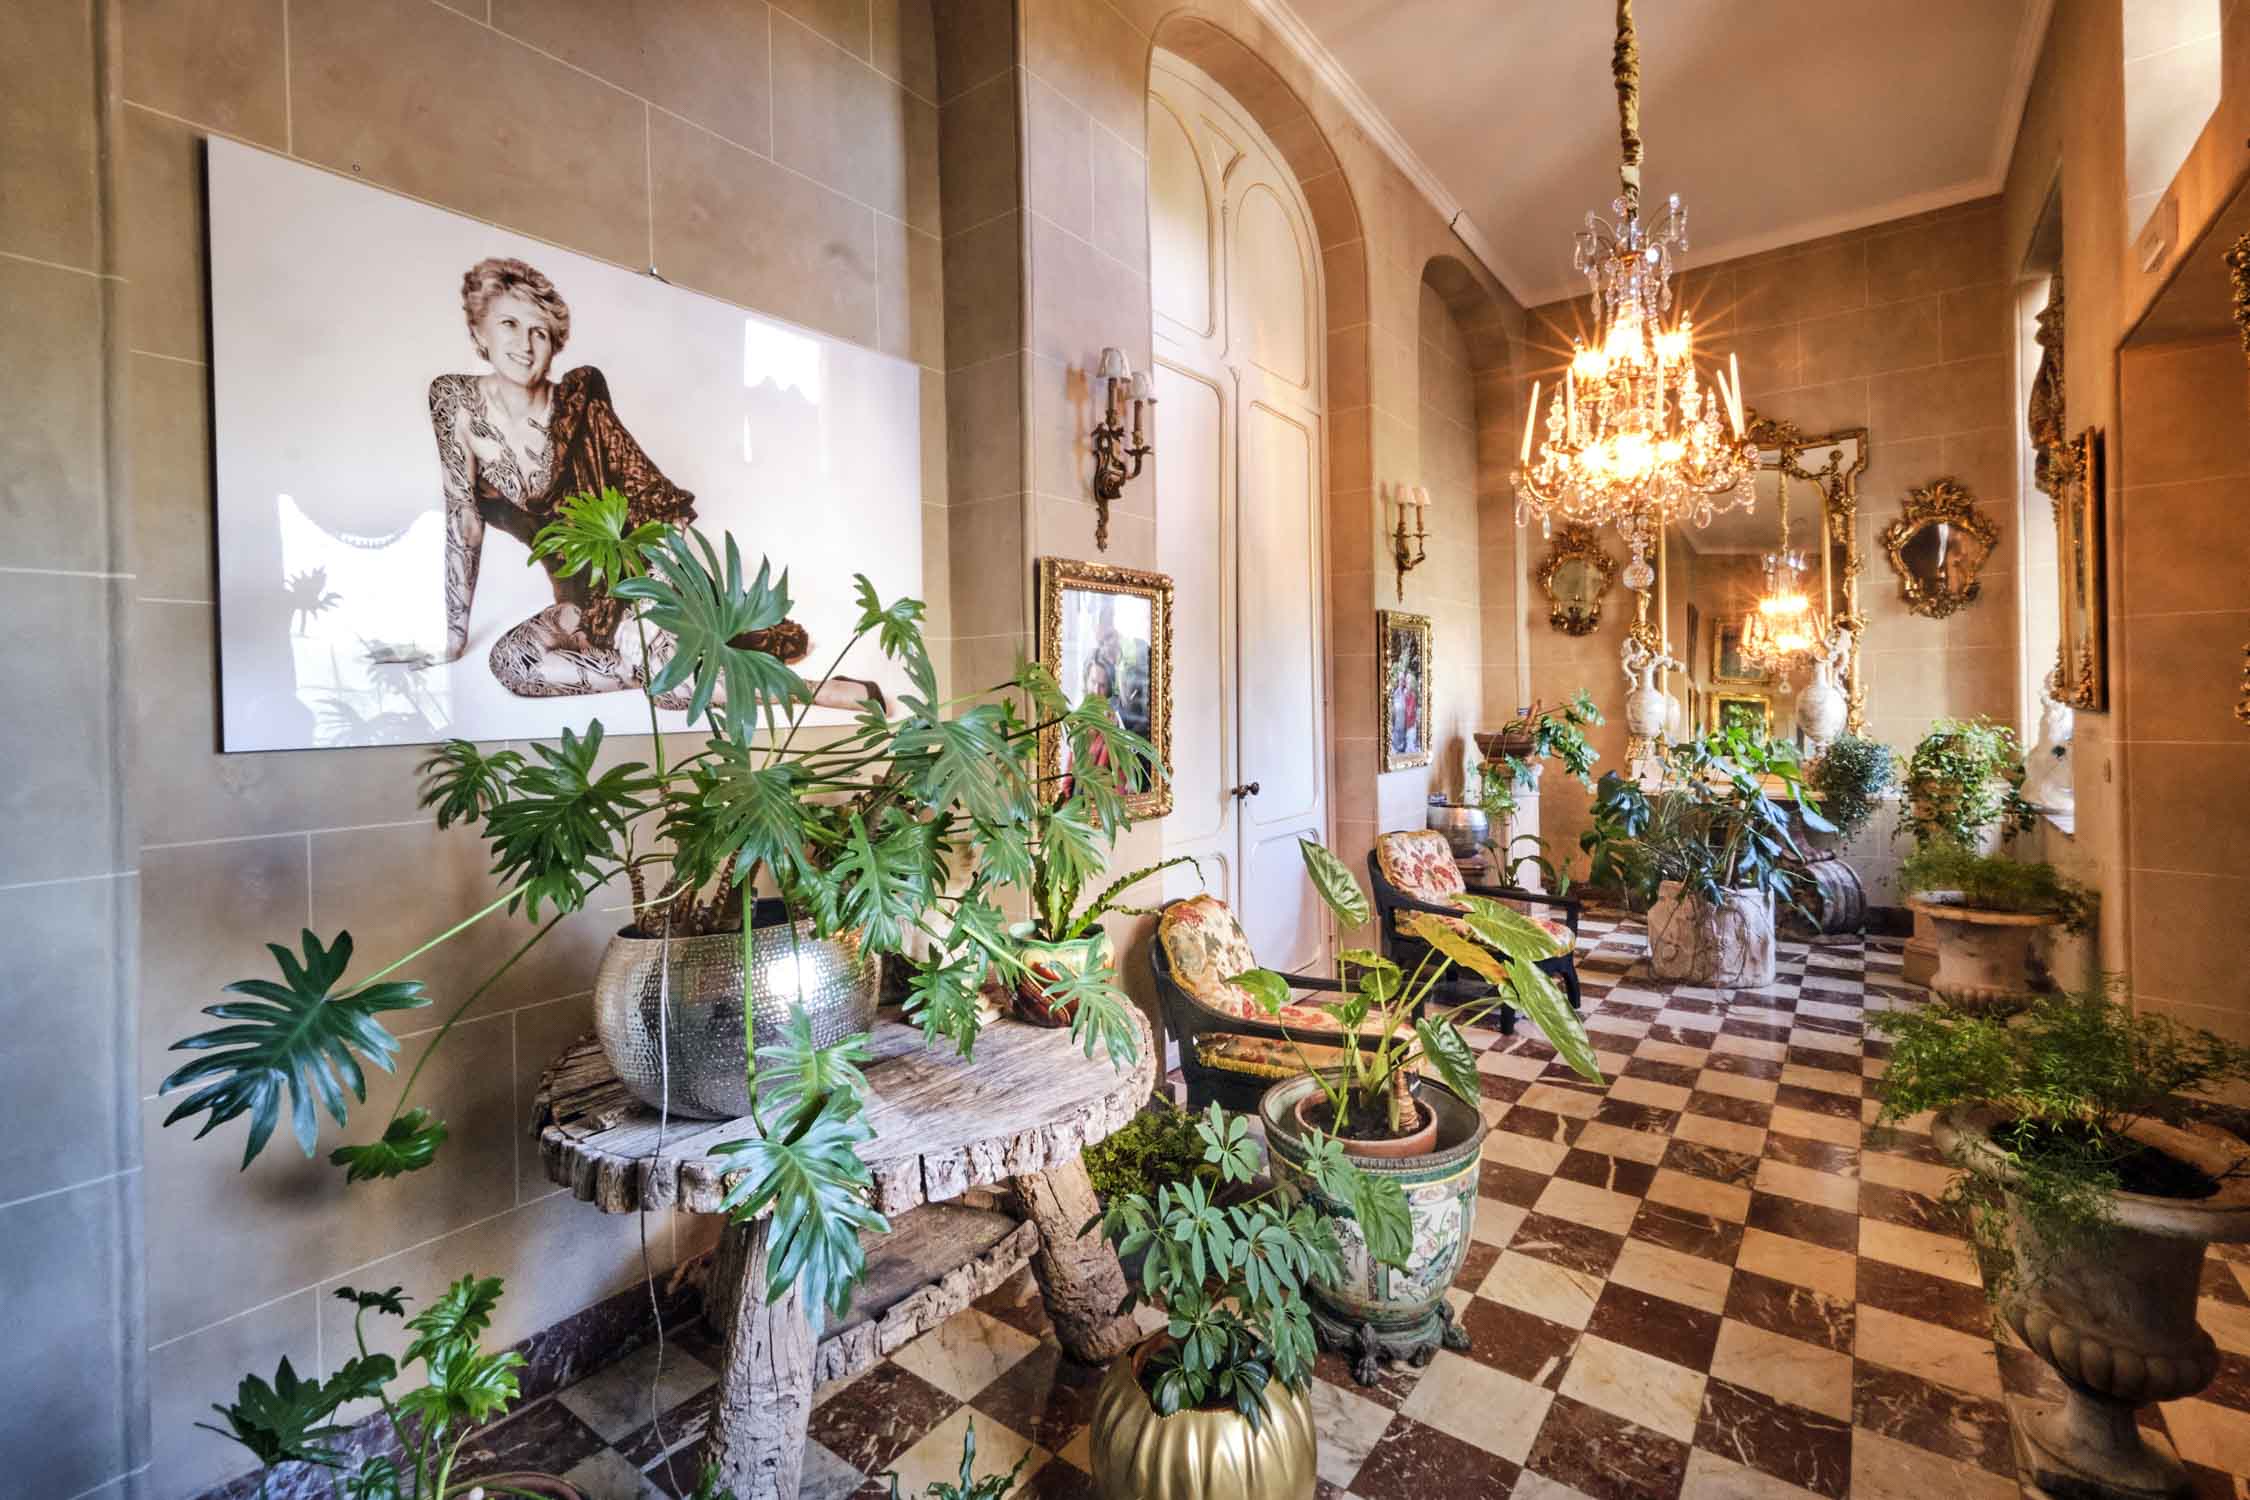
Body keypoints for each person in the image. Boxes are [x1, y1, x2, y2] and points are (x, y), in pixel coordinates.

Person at [425, 257, 875, 709]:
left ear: (553, 342)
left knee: (669, 687)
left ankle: (818, 691)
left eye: (539, 332)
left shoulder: (579, 405)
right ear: (479, 329)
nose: (525, 345)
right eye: (509, 324)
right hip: (580, 604)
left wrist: (646, 607)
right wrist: (453, 640)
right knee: (512, 663)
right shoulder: (454, 401)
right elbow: (464, 522)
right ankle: (667, 671)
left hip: (647, 581)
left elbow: (662, 510)